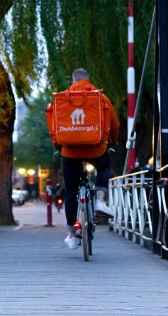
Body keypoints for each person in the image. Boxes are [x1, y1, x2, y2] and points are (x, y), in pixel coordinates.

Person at [52, 68, 120, 249]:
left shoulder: (61, 99)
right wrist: (111, 142)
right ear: (88, 80)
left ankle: (72, 234)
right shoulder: (100, 98)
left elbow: (54, 127)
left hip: (70, 152)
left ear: (73, 81)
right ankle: (99, 199)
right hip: (96, 149)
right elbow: (114, 123)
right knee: (104, 167)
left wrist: (60, 146)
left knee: (70, 193)